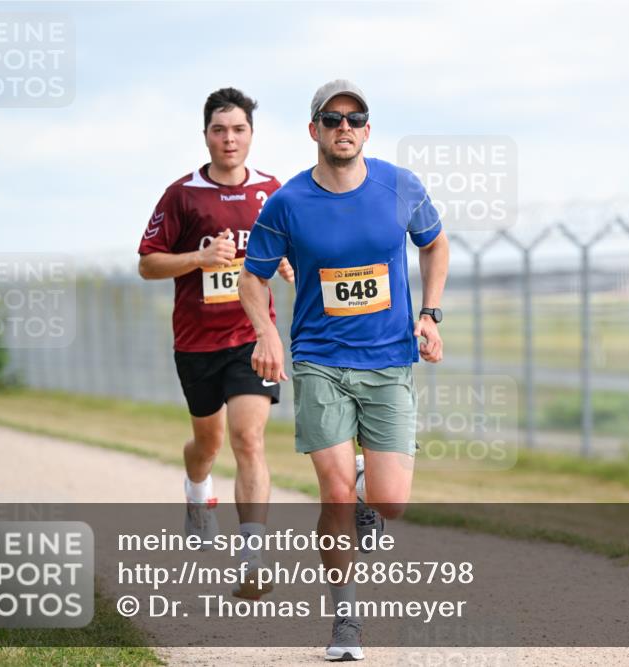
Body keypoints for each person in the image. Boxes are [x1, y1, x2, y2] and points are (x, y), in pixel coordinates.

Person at [240, 79, 449, 662]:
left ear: (367, 129)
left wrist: (430, 314)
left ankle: (367, 488)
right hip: (319, 362)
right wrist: (266, 334)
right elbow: (252, 277)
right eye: (333, 120)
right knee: (332, 495)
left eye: (356, 119)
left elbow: (435, 245)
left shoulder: (399, 186)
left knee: (390, 504)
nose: (345, 129)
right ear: (315, 130)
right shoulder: (287, 202)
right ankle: (345, 620)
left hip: (388, 363)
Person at [138, 87, 292, 600]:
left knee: (249, 439)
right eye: (220, 130)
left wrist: (289, 262)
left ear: (252, 134)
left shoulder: (274, 190)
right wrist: (197, 260)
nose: (230, 139)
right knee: (209, 443)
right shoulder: (182, 194)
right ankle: (197, 493)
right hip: (197, 341)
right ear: (205, 135)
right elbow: (147, 263)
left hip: (253, 336)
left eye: (239, 129)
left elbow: (295, 249)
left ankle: (252, 560)